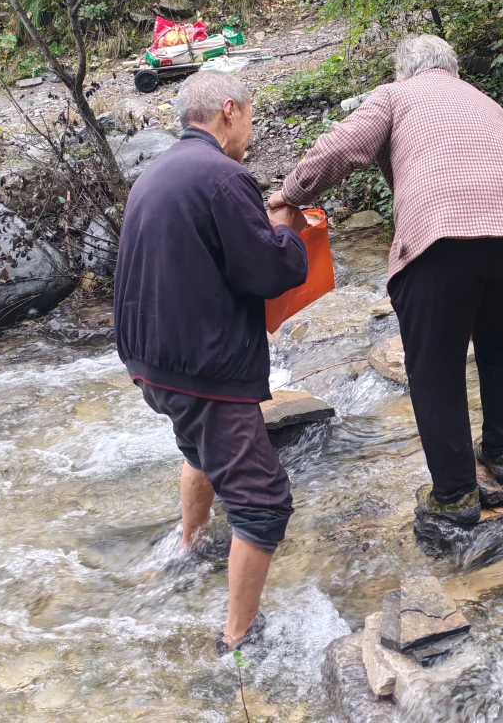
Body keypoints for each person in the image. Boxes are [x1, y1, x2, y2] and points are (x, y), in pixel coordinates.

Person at [269, 33, 503, 525]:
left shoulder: (395, 95)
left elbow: (343, 149)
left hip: (444, 229)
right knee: (500, 341)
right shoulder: (487, 101)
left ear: (401, 71)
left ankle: (454, 495)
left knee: (434, 364)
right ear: (452, 69)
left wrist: (291, 192)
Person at [113, 69, 309, 652]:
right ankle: (238, 640)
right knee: (264, 502)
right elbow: (268, 272)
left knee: (200, 450)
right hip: (204, 367)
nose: (251, 126)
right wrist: (286, 230)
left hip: (152, 363)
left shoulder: (157, 172)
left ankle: (189, 546)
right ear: (229, 109)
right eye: (250, 114)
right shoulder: (224, 177)